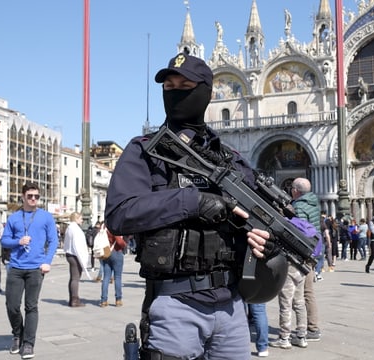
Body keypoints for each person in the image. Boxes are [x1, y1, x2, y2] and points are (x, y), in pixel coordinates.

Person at [104, 52, 275, 360]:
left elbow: (259, 220)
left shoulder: (232, 160)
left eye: (185, 85)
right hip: (175, 302)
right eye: (169, 87)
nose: (175, 92)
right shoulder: (144, 151)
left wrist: (264, 241)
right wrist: (193, 201)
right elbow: (119, 214)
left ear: (206, 92)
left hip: (232, 306)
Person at [0, 182, 59, 359]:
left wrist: (47, 262)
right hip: (16, 267)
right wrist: (18, 242)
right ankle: (17, 334)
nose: (33, 199)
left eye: (36, 196)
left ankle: (28, 343)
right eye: (30, 196)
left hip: (36, 268)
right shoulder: (14, 217)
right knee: (12, 305)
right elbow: (4, 241)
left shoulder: (46, 217)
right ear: (23, 197)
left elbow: (54, 241)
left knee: (31, 306)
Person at [289, 177, 322, 343]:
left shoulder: (299, 206)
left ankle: (312, 328)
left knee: (306, 292)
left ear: (295, 190)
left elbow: (299, 231)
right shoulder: (313, 203)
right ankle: (310, 327)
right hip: (314, 251)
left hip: (305, 253)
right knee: (308, 291)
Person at [63, 212, 91, 307]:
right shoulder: (75, 229)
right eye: (81, 218)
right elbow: (78, 245)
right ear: (76, 218)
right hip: (75, 255)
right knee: (75, 278)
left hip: (70, 254)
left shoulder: (69, 228)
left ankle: (72, 298)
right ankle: (75, 300)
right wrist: (82, 257)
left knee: (72, 278)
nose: (82, 220)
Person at [99, 225, 126, 307]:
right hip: (116, 252)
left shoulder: (103, 228)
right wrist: (125, 244)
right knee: (117, 277)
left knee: (106, 277)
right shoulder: (114, 227)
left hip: (107, 251)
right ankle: (118, 299)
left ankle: (104, 300)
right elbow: (119, 242)